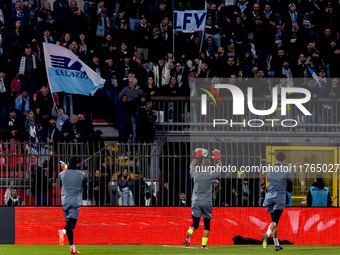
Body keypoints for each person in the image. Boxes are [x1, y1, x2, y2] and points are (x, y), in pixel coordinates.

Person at [184, 148, 221, 249]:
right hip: (207, 202)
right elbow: (219, 169)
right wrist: (218, 159)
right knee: (207, 225)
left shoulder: (196, 174)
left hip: (195, 201)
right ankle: (203, 245)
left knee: (195, 224)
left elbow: (191, 166)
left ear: (201, 166)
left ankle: (189, 232)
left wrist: (196, 157)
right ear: (209, 166)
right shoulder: (210, 175)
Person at [262, 152, 292, 251]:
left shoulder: (269, 170)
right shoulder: (286, 170)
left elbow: (269, 183)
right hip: (279, 196)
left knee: (273, 222)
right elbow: (290, 186)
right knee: (275, 221)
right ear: (284, 160)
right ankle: (266, 234)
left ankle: (276, 244)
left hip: (270, 196)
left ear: (275, 159)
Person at [57, 157, 85, 255]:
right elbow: (82, 185)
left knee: (69, 224)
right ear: (77, 164)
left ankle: (72, 247)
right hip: (75, 202)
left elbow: (58, 184)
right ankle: (63, 232)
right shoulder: (82, 174)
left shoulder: (61, 174)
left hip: (64, 201)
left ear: (68, 163)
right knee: (71, 225)